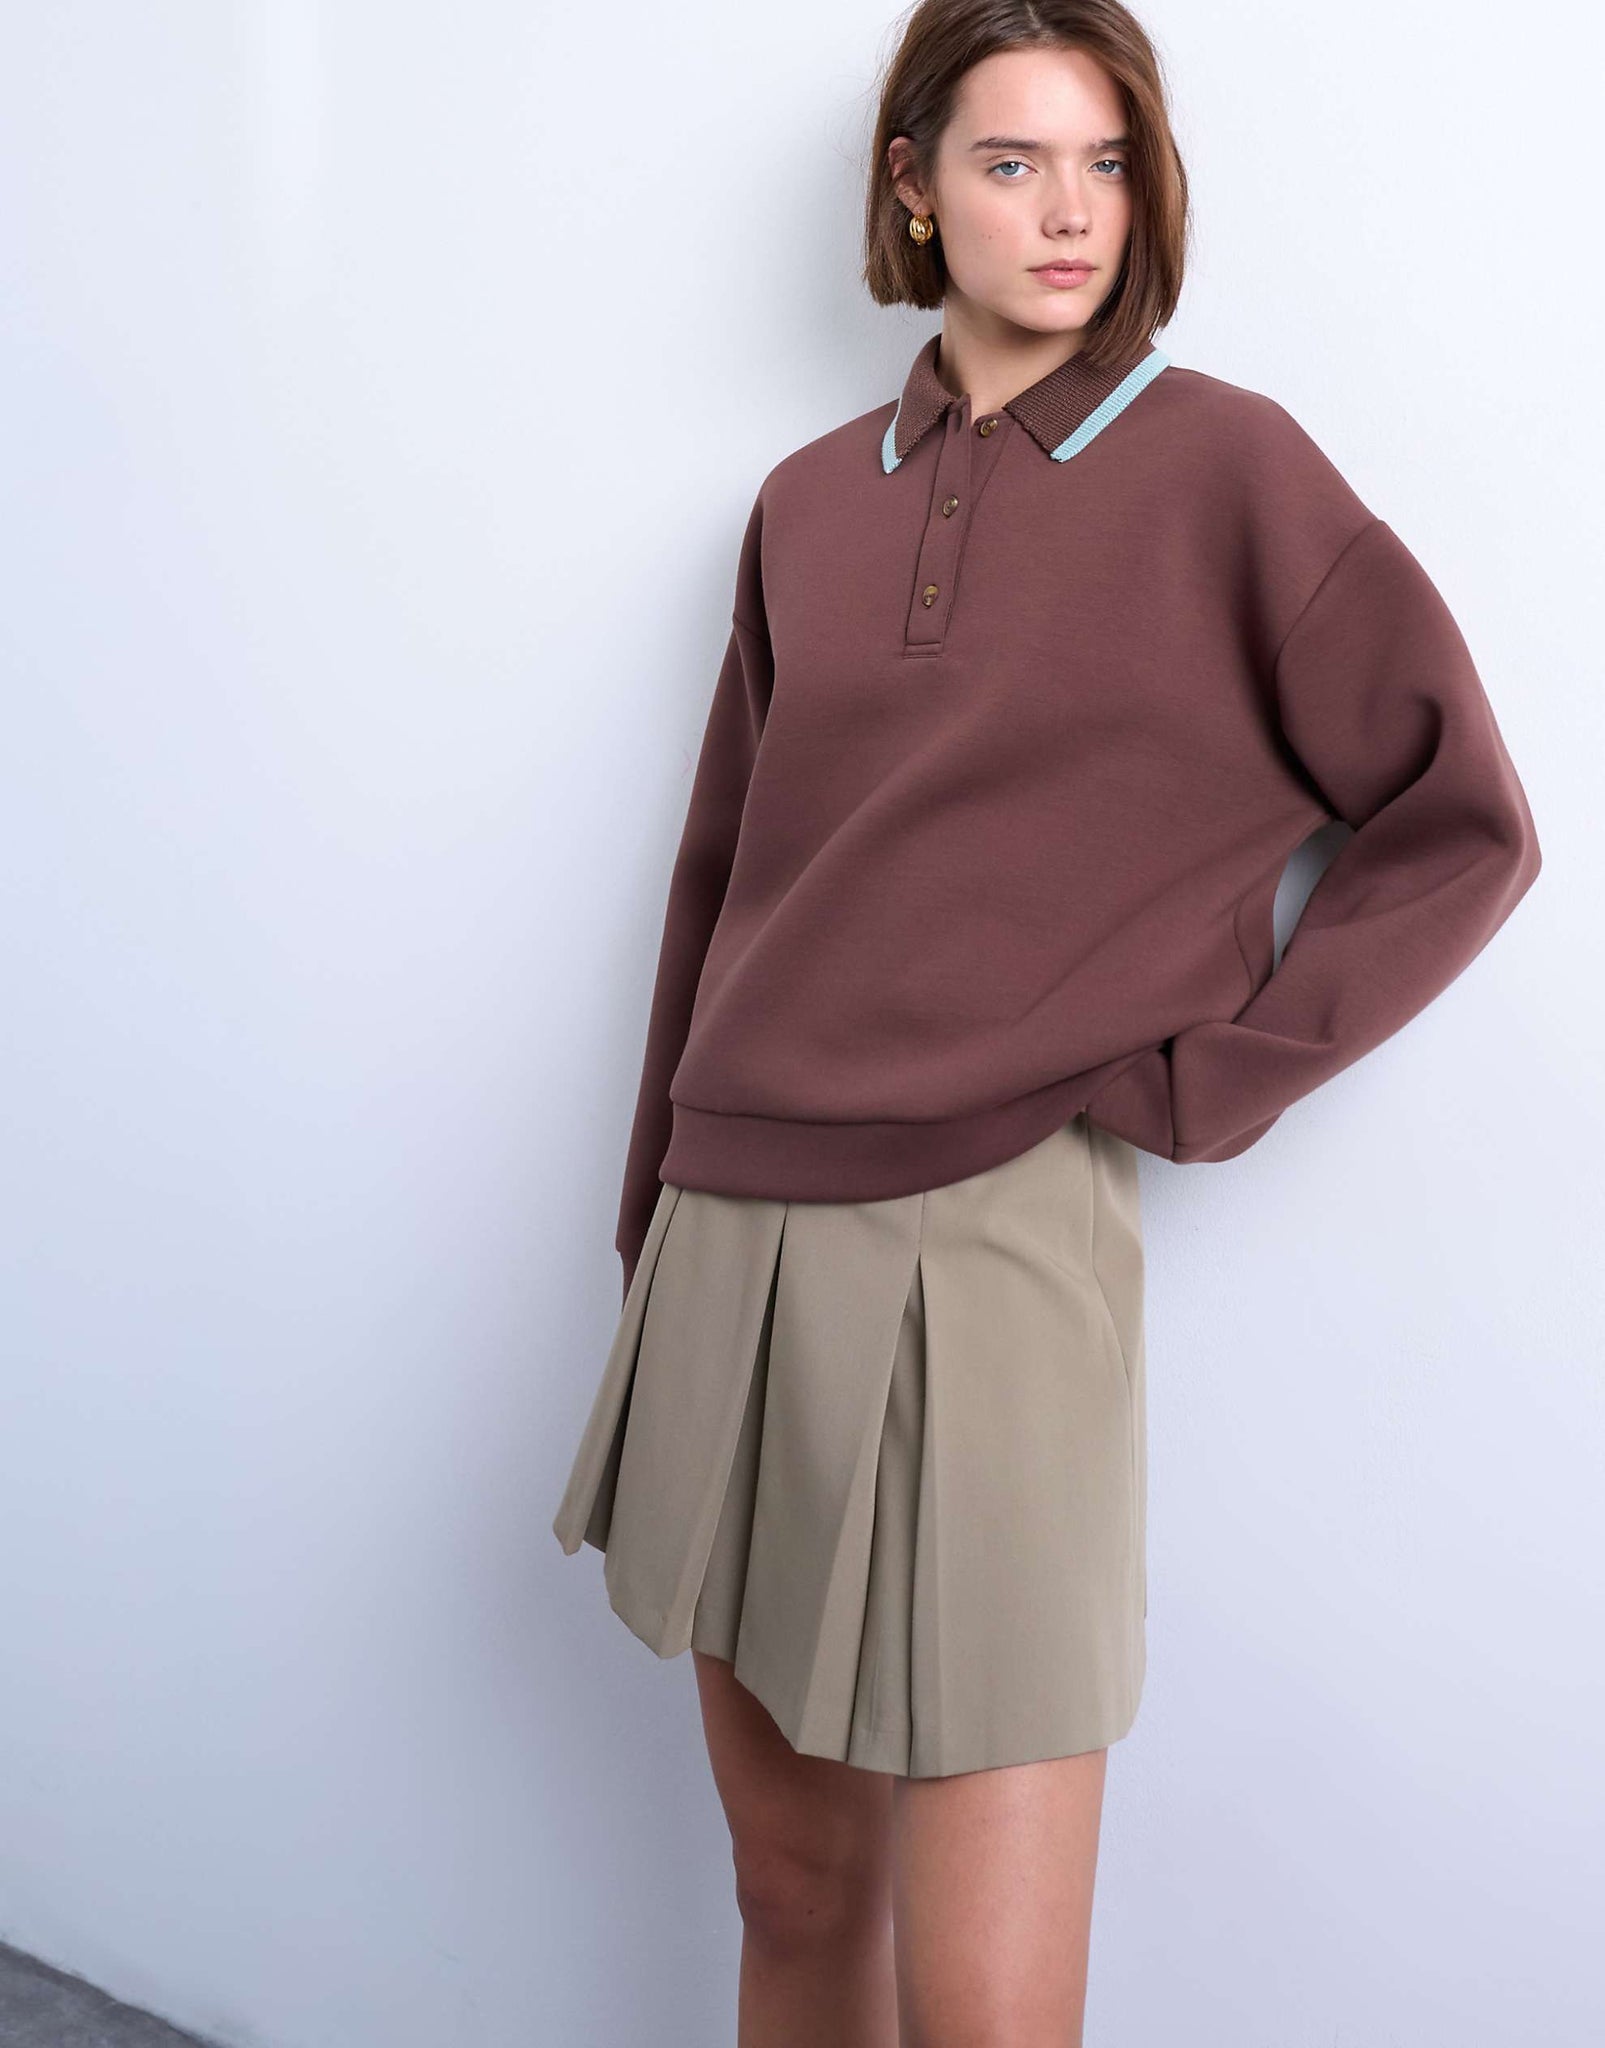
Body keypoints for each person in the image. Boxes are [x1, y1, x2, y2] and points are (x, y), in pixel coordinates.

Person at [552, 0, 1543, 2036]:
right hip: (733, 1225)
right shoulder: (805, 503)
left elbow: (1462, 819)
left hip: (1000, 1237)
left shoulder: (1228, 469)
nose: (1068, 211)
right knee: (791, 1887)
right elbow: (723, 873)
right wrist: (651, 1206)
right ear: (912, 189)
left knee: (989, 2007)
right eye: (1010, 163)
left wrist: (1205, 1080)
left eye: (1103, 163)